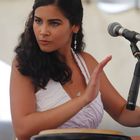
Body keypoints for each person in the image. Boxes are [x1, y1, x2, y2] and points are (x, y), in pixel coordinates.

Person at [10, 0, 140, 140]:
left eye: (54, 23)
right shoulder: (24, 64)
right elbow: (23, 129)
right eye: (38, 21)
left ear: (75, 26)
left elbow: (122, 112)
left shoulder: (86, 62)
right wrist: (82, 100)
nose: (43, 31)